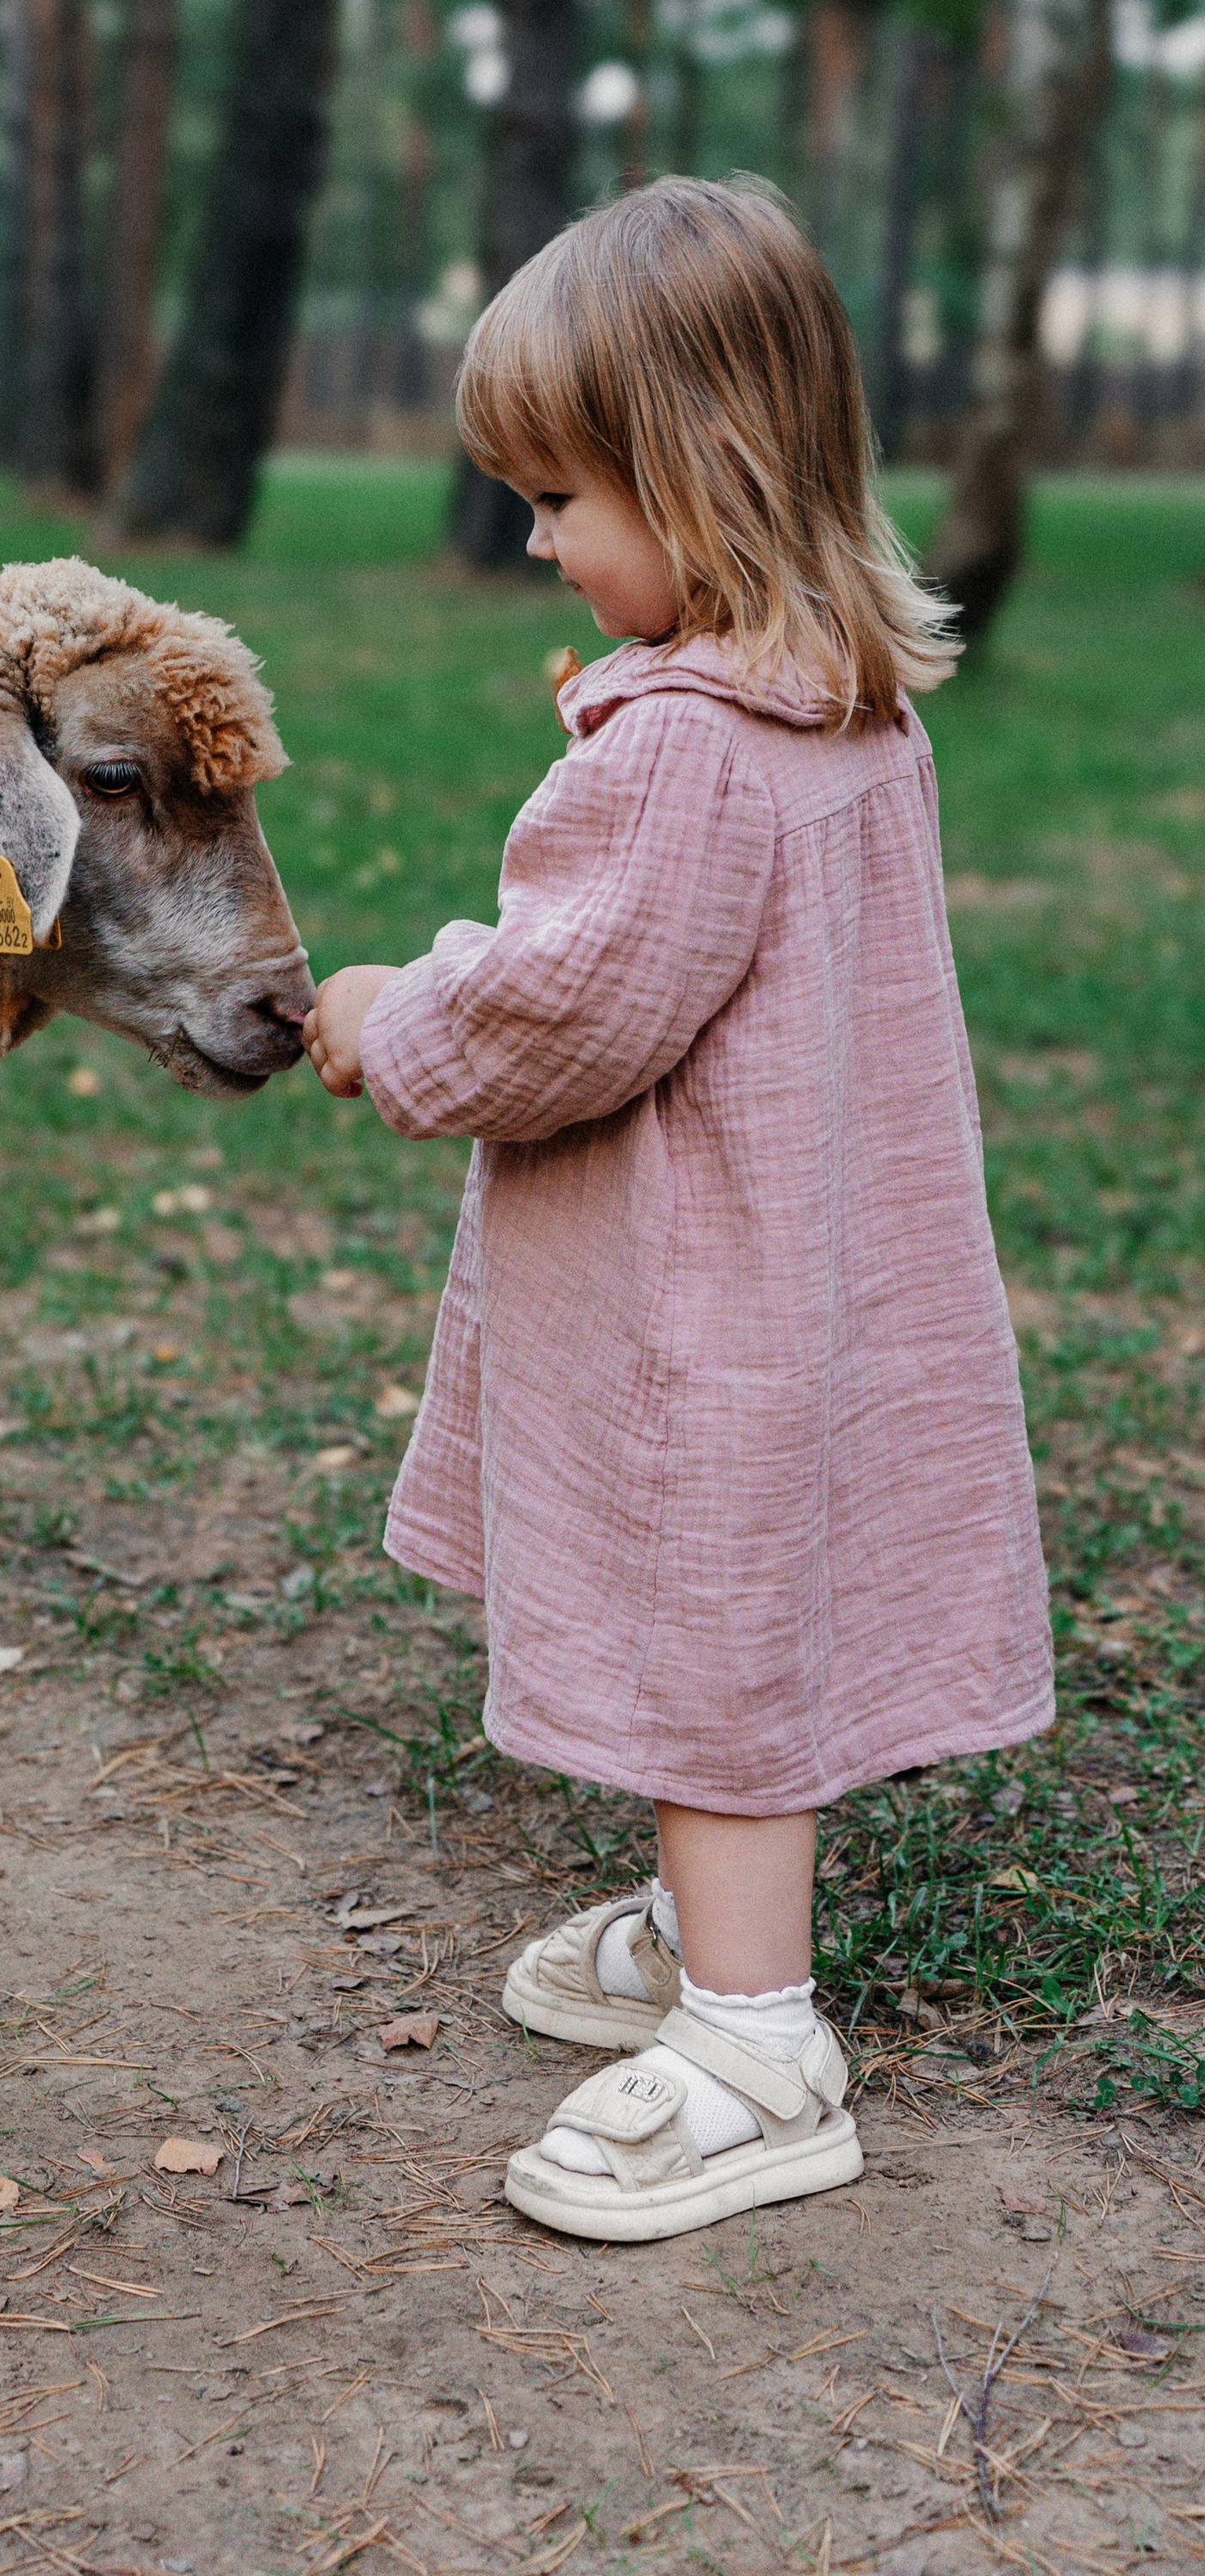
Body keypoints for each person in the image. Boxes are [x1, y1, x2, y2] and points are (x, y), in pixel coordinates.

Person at [304, 174, 1051, 2244]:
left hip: (700, 1298)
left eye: (558, 496)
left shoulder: (687, 753)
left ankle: (752, 2043)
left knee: (702, 1626)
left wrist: (391, 1017)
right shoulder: (836, 699)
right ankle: (708, 1919)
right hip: (820, 1261)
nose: (533, 538)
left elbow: (560, 1012)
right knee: (729, 1602)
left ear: (695, 474)